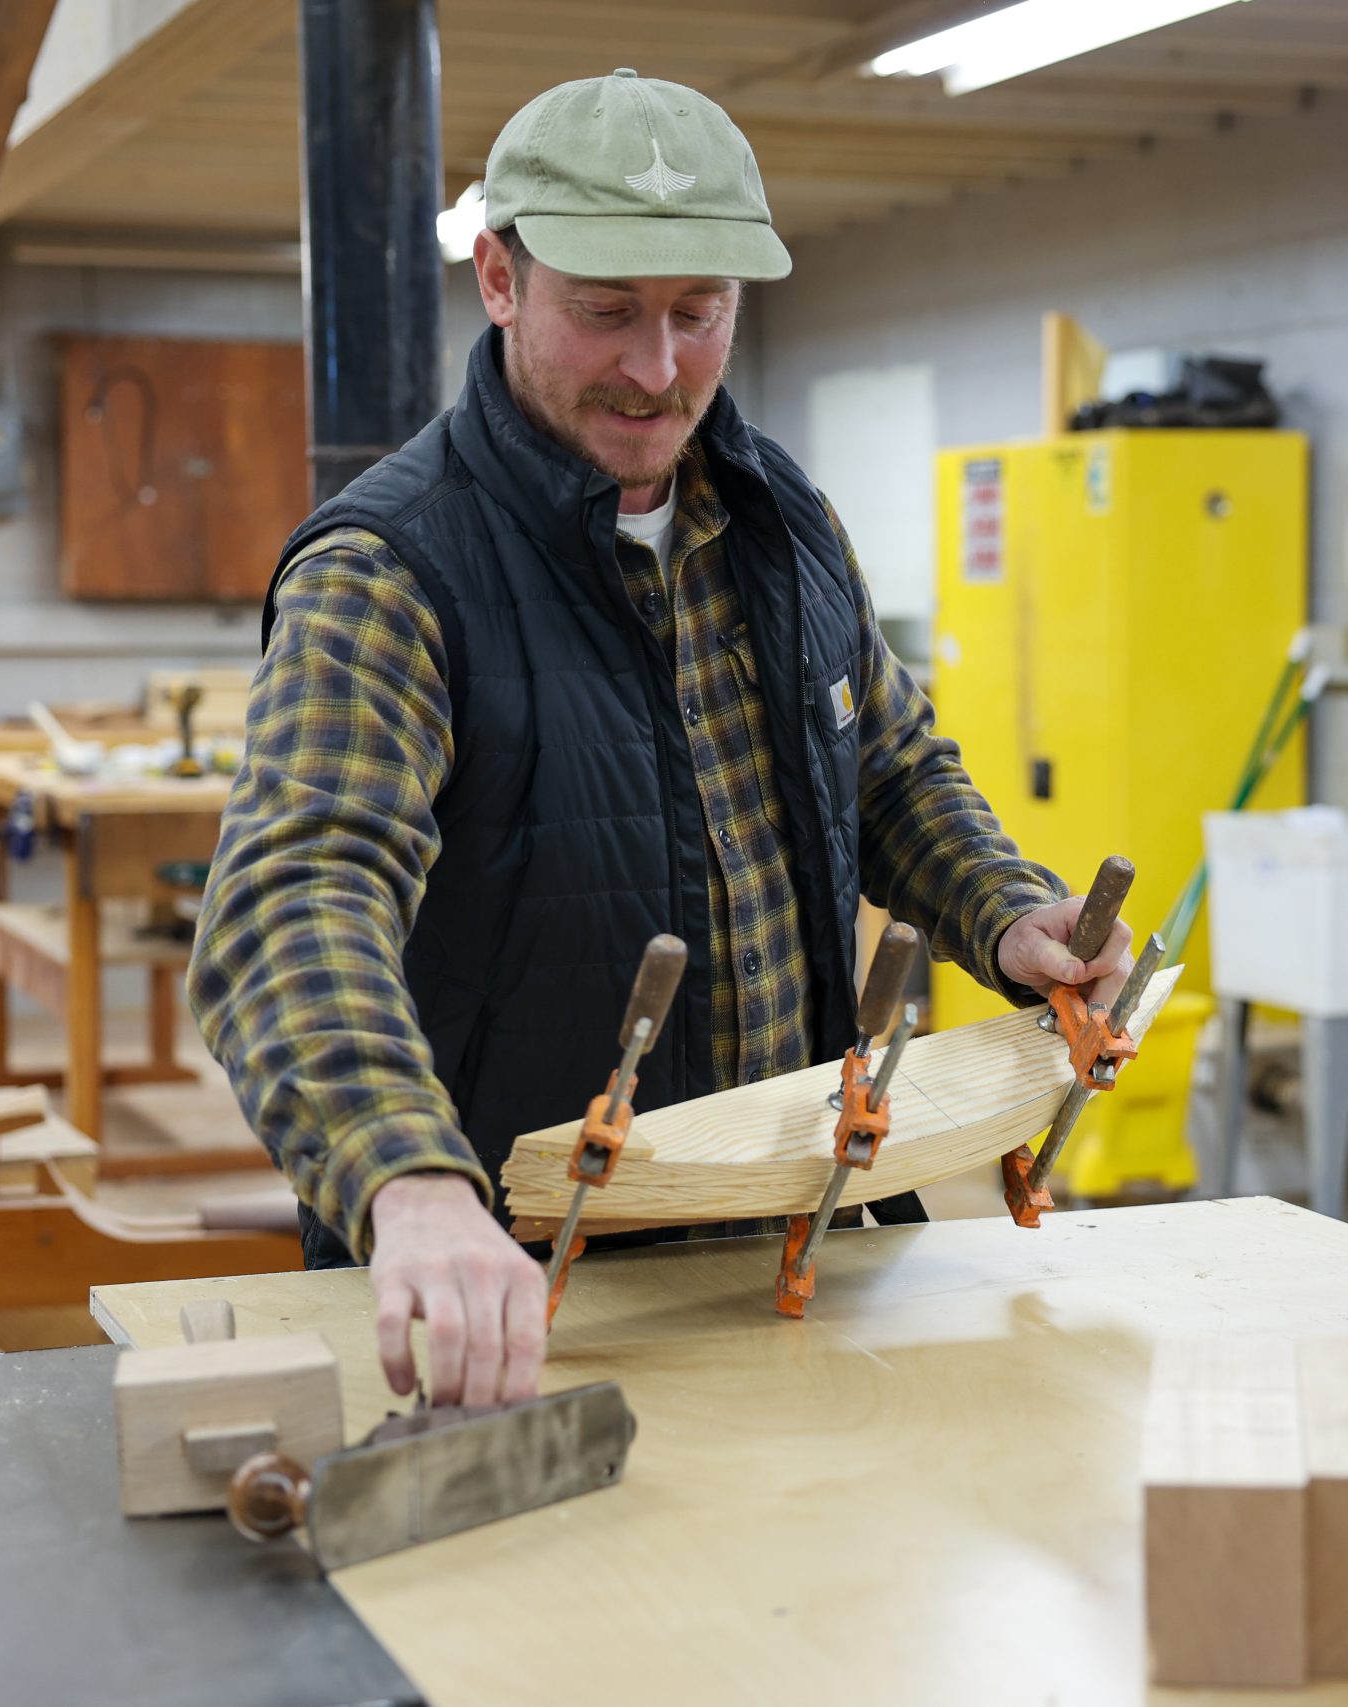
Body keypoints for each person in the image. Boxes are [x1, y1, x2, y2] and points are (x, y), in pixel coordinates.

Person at [188, 68, 1130, 1411]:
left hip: (792, 1257)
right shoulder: (392, 573)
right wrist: (408, 1182)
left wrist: (1005, 909)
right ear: (501, 277)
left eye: (699, 315)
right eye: (608, 313)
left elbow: (891, 765)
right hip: (515, 1292)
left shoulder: (783, 521)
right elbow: (291, 902)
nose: (657, 367)